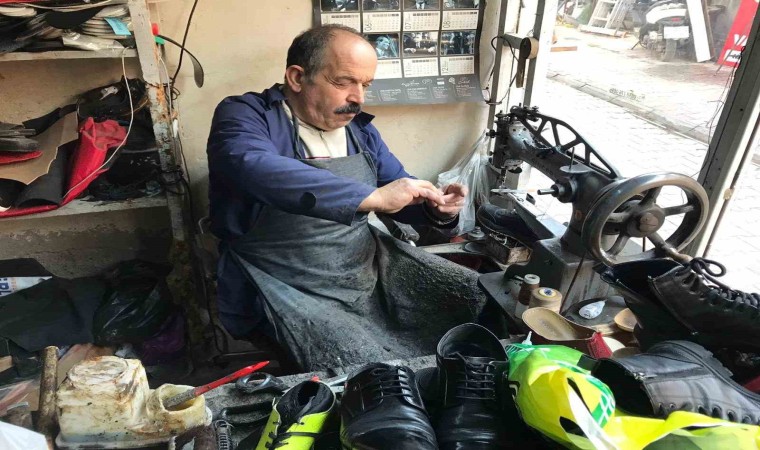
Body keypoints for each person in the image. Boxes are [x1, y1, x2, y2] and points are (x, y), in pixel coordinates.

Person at [207, 25, 487, 371]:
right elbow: (250, 165)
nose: (359, 98)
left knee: (473, 296)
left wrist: (437, 208)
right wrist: (370, 197)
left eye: (365, 85)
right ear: (297, 77)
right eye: (344, 82)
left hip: (362, 267)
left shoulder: (359, 131)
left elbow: (397, 192)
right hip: (284, 279)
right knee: (363, 366)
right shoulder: (246, 114)